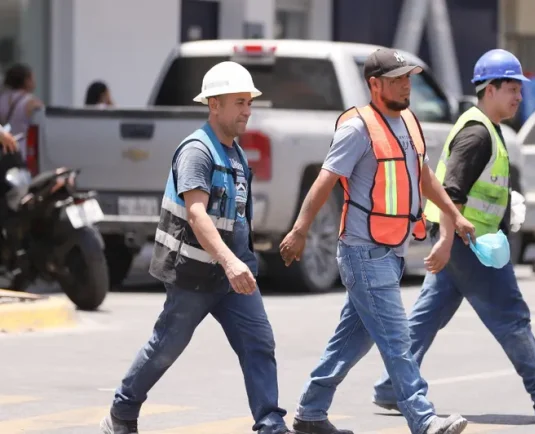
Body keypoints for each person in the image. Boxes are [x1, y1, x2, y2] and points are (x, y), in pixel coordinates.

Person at [370, 49, 535, 422]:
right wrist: (445, 241)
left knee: (428, 315)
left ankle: (392, 386)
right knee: (510, 315)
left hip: (466, 239)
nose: (519, 97)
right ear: (489, 89)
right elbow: (451, 191)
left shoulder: (488, 129)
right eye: (511, 89)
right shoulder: (477, 133)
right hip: (466, 242)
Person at [278, 48, 475, 434]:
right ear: (374, 84)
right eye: (398, 79)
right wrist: (300, 229)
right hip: (362, 252)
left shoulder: (409, 122)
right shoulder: (358, 128)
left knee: (351, 340)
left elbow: (425, 176)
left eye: (409, 78)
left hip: (393, 249)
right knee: (397, 339)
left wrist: (454, 214)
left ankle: (311, 412)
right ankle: (423, 419)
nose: (407, 85)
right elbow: (325, 180)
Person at [100, 61, 294, 434]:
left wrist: (241, 263)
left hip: (232, 274)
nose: (247, 110)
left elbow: (235, 217)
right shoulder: (197, 151)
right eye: (239, 102)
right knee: (166, 347)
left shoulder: (235, 153)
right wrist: (230, 261)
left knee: (259, 342)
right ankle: (122, 413)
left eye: (249, 102)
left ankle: (270, 423)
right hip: (193, 273)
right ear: (213, 104)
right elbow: (197, 214)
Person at [0, 63, 43, 159]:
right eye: (32, 78)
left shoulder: (2, 99)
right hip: (23, 151)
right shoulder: (31, 102)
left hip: (4, 150)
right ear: (26, 81)